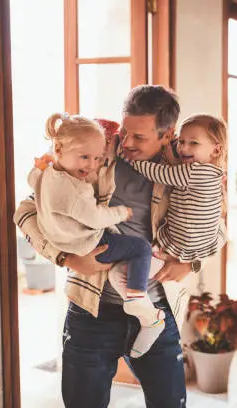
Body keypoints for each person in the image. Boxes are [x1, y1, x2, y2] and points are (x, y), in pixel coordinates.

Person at [14, 85, 225, 408]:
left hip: (155, 311)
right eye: (125, 131)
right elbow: (26, 211)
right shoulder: (94, 155)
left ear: (167, 135)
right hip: (91, 309)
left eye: (139, 137)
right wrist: (65, 257)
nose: (126, 142)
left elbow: (218, 229)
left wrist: (190, 264)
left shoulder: (185, 170)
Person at [27, 113, 166, 355]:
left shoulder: (48, 173)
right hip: (88, 247)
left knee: (118, 271)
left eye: (98, 158)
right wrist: (121, 213)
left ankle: (141, 309)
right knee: (141, 249)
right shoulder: (77, 188)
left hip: (67, 238)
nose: (92, 165)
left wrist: (190, 262)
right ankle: (137, 300)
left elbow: (33, 179)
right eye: (85, 157)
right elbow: (95, 217)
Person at [119, 114, 228, 355]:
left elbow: (161, 174)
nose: (183, 147)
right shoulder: (210, 173)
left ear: (215, 150)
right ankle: (148, 318)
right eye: (181, 142)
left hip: (176, 251)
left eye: (193, 143)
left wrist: (128, 157)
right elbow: (174, 169)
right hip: (185, 249)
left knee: (120, 276)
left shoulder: (193, 173)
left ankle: (150, 320)